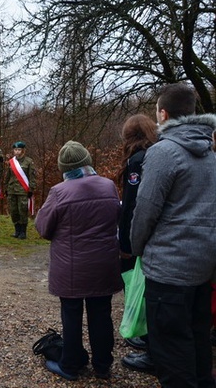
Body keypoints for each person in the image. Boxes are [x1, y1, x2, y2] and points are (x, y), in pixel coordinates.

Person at [130, 83, 216, 387]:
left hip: (168, 270)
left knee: (171, 351)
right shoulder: (211, 153)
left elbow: (145, 210)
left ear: (163, 114)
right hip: (203, 266)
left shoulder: (163, 152)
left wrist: (137, 247)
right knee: (198, 342)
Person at [35, 140, 123, 381]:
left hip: (71, 266)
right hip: (104, 263)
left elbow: (42, 228)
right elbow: (117, 217)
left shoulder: (59, 192)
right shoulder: (108, 186)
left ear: (64, 167)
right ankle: (103, 365)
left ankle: (70, 365)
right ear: (87, 161)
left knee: (72, 314)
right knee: (102, 313)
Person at [116, 114, 158, 375]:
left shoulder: (137, 160)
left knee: (137, 285)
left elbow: (133, 203)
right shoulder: (155, 154)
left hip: (138, 234)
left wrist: (125, 240)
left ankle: (143, 331)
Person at [4, 141, 36, 239]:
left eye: (19, 150)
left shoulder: (29, 162)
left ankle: (23, 231)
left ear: (23, 151)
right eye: (15, 150)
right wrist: (6, 188)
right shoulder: (11, 162)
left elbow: (32, 177)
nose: (17, 152)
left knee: (22, 210)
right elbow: (7, 176)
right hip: (12, 190)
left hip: (23, 190)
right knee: (13, 211)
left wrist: (31, 189)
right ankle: (17, 230)